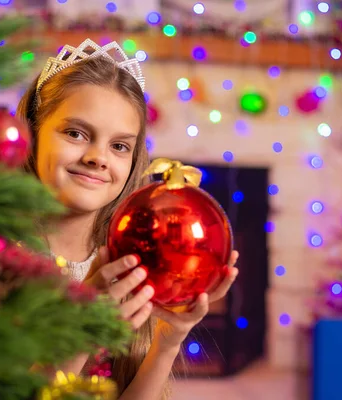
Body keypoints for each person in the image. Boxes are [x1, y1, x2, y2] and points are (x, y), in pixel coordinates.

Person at [16, 39, 239, 400]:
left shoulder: (131, 262)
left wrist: (167, 342)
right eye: (75, 133)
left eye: (119, 146)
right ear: (32, 134)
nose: (97, 157)